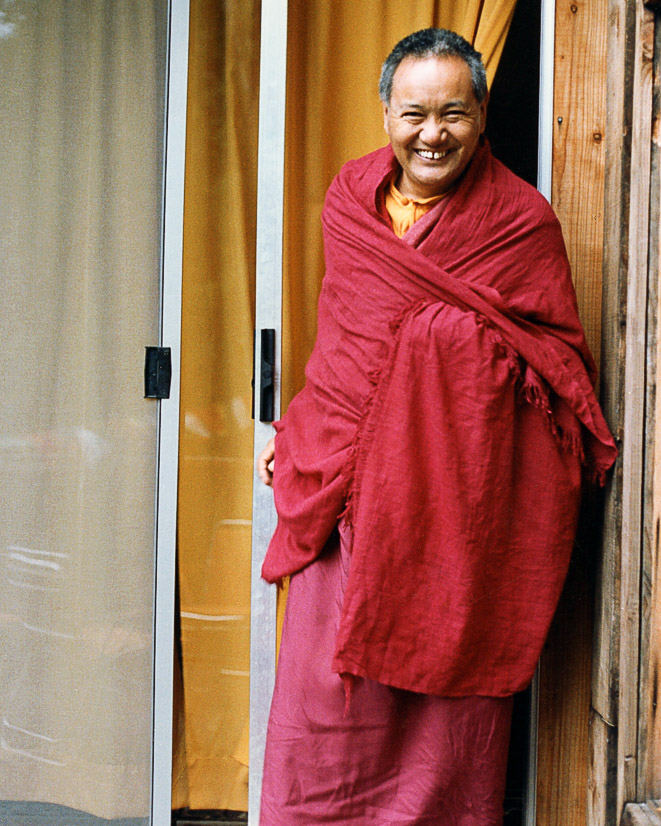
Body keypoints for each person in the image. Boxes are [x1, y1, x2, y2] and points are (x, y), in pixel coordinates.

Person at [256, 28, 617, 826]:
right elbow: (344, 342)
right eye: (414, 113)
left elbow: (555, 363)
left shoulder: (518, 222)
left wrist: (440, 346)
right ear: (385, 112)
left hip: (454, 509)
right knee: (321, 707)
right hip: (344, 496)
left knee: (442, 714)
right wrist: (302, 425)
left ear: (481, 115)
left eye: (452, 113)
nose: (432, 134)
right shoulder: (352, 198)